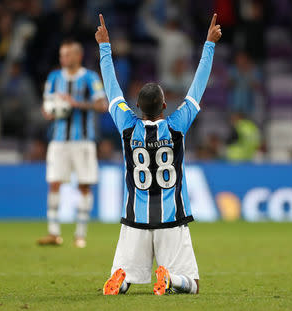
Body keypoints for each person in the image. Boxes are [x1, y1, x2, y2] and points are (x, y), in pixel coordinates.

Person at [95, 13, 221, 295]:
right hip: (171, 217)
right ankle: (173, 280)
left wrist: (105, 47)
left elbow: (112, 88)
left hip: (135, 218)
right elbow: (197, 87)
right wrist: (209, 45)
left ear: (136, 107)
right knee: (193, 285)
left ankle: (123, 280)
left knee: (124, 274)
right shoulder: (177, 125)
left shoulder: (127, 126)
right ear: (165, 105)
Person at [37, 39, 107, 248]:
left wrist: (75, 103)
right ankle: (53, 232)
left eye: (67, 55)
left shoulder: (90, 77)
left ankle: (80, 234)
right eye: (61, 55)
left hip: (83, 141)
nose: (63, 59)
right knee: (54, 183)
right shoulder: (54, 77)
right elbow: (46, 105)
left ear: (78, 56)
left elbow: (102, 105)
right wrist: (49, 111)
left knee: (84, 185)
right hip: (58, 140)